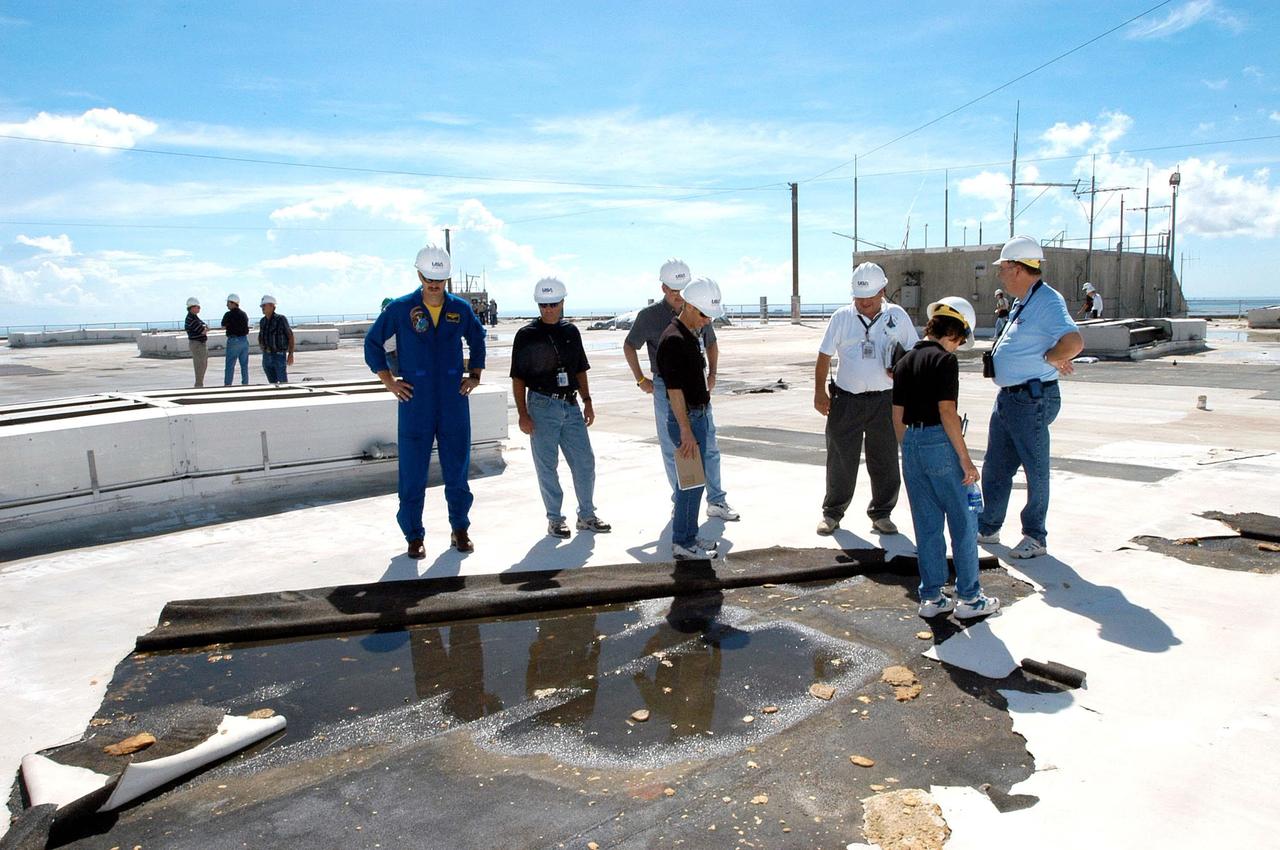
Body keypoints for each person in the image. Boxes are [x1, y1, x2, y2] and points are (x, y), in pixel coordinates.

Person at [364, 245, 487, 558]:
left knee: (457, 468)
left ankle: (460, 528)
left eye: (441, 279)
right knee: (413, 471)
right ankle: (413, 535)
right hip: (415, 401)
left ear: (447, 278)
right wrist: (389, 381)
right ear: (419, 274)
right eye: (429, 278)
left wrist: (474, 373)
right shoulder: (400, 308)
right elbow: (373, 343)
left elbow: (477, 337)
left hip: (453, 399)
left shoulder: (460, 308)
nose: (435, 284)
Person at [893, 297, 1000, 620]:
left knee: (926, 526)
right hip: (940, 442)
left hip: (910, 444)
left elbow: (897, 414)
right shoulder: (944, 361)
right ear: (955, 332)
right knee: (963, 522)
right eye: (961, 340)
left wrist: (911, 448)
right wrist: (966, 462)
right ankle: (969, 597)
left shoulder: (905, 361)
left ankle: (932, 596)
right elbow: (947, 412)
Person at [979, 235, 1084, 559]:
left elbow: (1074, 342)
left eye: (1003, 268)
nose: (1000, 275)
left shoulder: (1047, 301)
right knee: (996, 467)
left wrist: (1053, 356)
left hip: (1030, 398)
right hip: (1011, 398)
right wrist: (1049, 355)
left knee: (1035, 469)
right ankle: (989, 526)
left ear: (1016, 269)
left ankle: (1035, 535)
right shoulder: (1025, 301)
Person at [624, 259, 738, 522]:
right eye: (674, 290)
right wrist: (641, 379)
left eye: (683, 289)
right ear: (663, 288)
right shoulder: (649, 316)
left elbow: (712, 344)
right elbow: (630, 346)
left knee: (709, 444)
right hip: (666, 385)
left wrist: (712, 373)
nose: (679, 295)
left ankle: (716, 501)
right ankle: (681, 500)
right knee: (673, 446)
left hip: (696, 384)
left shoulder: (699, 308)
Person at [813, 262, 919, 536]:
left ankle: (882, 513)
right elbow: (824, 355)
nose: (863, 305)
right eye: (858, 300)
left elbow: (914, 353)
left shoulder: (897, 316)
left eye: (869, 301)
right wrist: (819, 392)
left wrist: (901, 370)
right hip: (846, 401)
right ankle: (832, 513)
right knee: (840, 458)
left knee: (884, 459)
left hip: (886, 401)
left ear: (882, 291)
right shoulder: (841, 317)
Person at [510, 277, 610, 538]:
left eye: (553, 304)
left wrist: (587, 401)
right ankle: (555, 519)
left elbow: (580, 369)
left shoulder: (571, 332)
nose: (548, 309)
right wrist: (522, 414)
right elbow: (518, 377)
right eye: (543, 305)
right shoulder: (526, 336)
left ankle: (586, 515)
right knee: (547, 465)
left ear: (563, 302)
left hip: (571, 405)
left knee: (585, 462)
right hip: (541, 405)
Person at [656, 277, 727, 561]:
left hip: (696, 416)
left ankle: (687, 535)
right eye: (703, 314)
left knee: (693, 483)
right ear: (687, 306)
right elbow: (674, 391)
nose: (707, 321)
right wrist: (685, 430)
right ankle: (683, 543)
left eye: (710, 315)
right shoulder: (673, 339)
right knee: (691, 483)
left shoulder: (687, 334)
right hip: (686, 420)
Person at [257, 295, 295, 384]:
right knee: (272, 384)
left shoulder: (281, 319)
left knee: (283, 383)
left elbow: (290, 336)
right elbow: (260, 336)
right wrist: (262, 347)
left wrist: (291, 354)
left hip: (279, 355)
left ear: (271, 306)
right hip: (267, 356)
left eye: (264, 306)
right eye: (262, 306)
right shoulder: (263, 321)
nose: (262, 308)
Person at [220, 294, 250, 386]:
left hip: (233, 340)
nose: (227, 305)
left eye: (228, 303)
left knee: (230, 365)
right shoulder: (243, 314)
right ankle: (245, 384)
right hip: (244, 340)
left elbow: (223, 325)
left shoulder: (228, 314)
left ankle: (228, 385)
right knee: (244, 365)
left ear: (232, 303)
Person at [184, 297, 208, 388]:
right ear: (192, 307)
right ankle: (198, 385)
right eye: (197, 307)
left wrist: (204, 328)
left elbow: (204, 326)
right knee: (200, 365)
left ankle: (199, 384)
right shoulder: (191, 319)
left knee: (202, 364)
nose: (199, 308)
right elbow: (202, 330)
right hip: (197, 344)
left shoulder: (194, 317)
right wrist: (204, 328)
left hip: (200, 343)